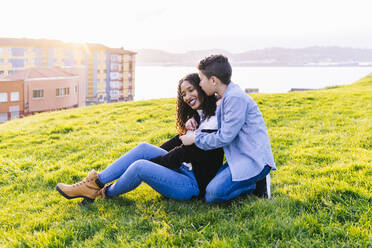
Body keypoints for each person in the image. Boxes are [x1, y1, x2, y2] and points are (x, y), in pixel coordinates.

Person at [56, 73, 223, 205]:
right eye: (183, 93)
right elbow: (176, 144)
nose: (187, 97)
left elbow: (178, 156)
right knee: (144, 148)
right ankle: (94, 183)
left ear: (202, 88)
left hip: (192, 186)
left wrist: (151, 162)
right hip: (186, 171)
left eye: (191, 90)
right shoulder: (200, 116)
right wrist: (185, 132)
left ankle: (104, 192)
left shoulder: (214, 120)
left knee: (140, 167)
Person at [179, 55, 277, 203]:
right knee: (209, 189)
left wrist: (195, 138)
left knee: (213, 195)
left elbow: (224, 137)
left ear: (213, 80)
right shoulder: (224, 97)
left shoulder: (235, 99)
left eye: (201, 79)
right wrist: (194, 119)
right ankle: (250, 182)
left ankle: (257, 182)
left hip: (254, 160)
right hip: (237, 158)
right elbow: (211, 119)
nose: (200, 83)